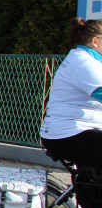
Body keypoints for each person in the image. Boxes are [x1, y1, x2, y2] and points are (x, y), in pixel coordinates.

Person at [41, 17, 102, 168]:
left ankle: (86, 190)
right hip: (69, 133)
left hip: (72, 131)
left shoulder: (85, 59)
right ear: (95, 41)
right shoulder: (85, 63)